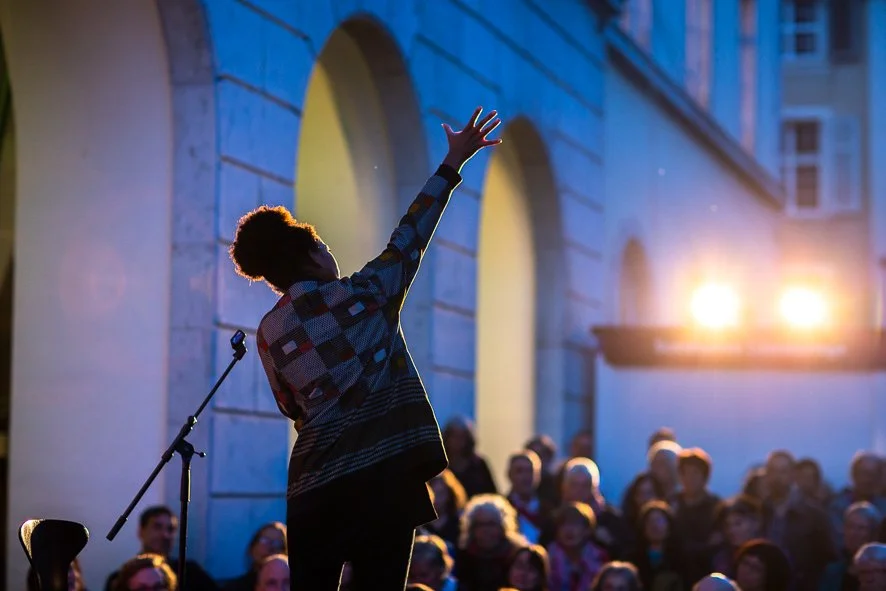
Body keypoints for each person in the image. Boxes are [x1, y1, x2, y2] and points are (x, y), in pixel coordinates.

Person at [229, 106, 502, 590]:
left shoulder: (270, 332)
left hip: (314, 490)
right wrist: (453, 163)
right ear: (312, 254)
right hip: (384, 480)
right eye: (326, 246)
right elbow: (410, 236)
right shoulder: (364, 295)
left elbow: (292, 408)